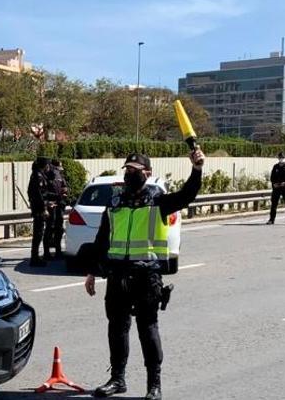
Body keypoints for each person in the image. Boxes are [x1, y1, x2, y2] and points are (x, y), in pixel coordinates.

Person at [86, 149, 204, 399]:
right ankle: (117, 379)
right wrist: (92, 271)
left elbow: (187, 195)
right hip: (117, 276)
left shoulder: (158, 201)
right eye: (126, 170)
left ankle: (154, 385)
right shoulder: (116, 202)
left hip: (146, 277)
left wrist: (196, 169)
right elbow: (102, 238)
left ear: (147, 174)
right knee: (117, 329)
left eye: (134, 170)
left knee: (147, 329)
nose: (128, 174)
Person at [28, 157, 50, 267]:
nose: (48, 167)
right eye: (47, 165)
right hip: (39, 210)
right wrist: (44, 209)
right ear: (44, 165)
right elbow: (39, 195)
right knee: (38, 234)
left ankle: (35, 257)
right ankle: (34, 258)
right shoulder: (38, 176)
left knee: (38, 233)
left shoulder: (37, 175)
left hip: (38, 208)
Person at [44, 159, 68, 259]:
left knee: (59, 229)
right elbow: (43, 193)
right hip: (51, 206)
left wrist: (65, 190)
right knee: (50, 228)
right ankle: (47, 252)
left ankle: (58, 251)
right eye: (57, 168)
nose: (58, 170)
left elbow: (65, 186)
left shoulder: (60, 176)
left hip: (59, 206)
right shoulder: (46, 177)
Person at [268, 151, 285, 225]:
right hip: (277, 188)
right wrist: (274, 184)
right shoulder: (275, 167)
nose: (281, 159)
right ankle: (271, 220)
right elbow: (272, 177)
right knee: (274, 204)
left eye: (282, 157)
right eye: (280, 157)